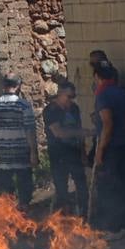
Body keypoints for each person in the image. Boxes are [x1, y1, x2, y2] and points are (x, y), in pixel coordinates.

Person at [0, 74, 38, 210]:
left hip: (1, 154)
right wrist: (33, 153)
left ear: (3, 86)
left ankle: (8, 217)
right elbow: (30, 131)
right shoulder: (24, 106)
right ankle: (24, 214)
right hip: (21, 153)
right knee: (25, 188)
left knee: (5, 191)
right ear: (18, 86)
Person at [90, 61, 125, 236]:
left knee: (110, 187)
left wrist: (100, 151)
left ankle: (113, 228)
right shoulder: (122, 93)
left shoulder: (103, 95)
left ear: (98, 77)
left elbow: (108, 123)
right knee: (124, 185)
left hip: (112, 148)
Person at [43, 82, 87, 215]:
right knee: (61, 186)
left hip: (74, 151)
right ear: (60, 94)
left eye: (73, 96)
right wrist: (83, 132)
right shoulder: (51, 110)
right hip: (58, 153)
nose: (71, 100)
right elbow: (59, 133)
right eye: (68, 96)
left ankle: (84, 212)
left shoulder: (74, 108)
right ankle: (65, 215)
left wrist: (83, 152)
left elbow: (79, 130)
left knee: (81, 183)